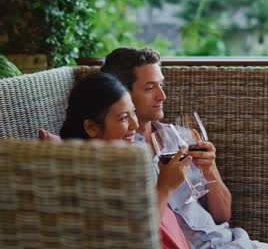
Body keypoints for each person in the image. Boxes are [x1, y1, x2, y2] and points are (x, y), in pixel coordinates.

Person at [101, 47, 268, 249]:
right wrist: (164, 186)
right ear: (123, 94)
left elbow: (222, 216)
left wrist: (210, 169)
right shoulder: (118, 156)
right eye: (150, 88)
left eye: (161, 85)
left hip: (231, 243)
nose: (162, 96)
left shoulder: (182, 138)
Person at [59, 72, 191, 249]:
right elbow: (134, 241)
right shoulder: (86, 180)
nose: (135, 125)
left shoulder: (119, 167)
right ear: (91, 127)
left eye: (133, 112)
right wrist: (164, 188)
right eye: (123, 118)